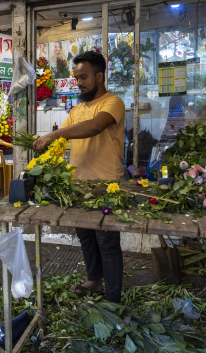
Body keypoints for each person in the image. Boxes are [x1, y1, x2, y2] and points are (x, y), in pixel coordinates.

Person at [33, 51, 125, 302]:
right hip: (78, 184)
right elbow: (67, 134)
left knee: (107, 242)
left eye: (83, 77)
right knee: (86, 237)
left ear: (99, 76)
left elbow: (94, 126)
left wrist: (55, 135)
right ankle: (94, 280)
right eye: (76, 78)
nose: (79, 82)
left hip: (107, 185)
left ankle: (113, 299)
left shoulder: (112, 103)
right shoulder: (77, 109)